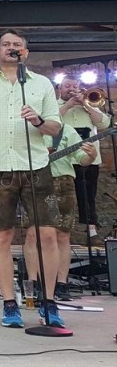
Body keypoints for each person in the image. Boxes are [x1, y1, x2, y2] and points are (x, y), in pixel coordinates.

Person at [0, 29, 63, 328]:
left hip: (36, 166)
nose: (11, 48)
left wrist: (38, 121)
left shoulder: (40, 84)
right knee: (1, 236)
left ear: (25, 53)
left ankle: (49, 301)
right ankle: (9, 302)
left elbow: (55, 127)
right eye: (6, 44)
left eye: (17, 45)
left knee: (47, 234)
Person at [25, 123, 96, 303]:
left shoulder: (66, 130)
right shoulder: (24, 128)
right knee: (33, 234)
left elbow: (81, 159)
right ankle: (33, 284)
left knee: (63, 235)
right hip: (34, 181)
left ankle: (62, 283)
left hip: (63, 182)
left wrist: (91, 155)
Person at [57, 75, 110, 246]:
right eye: (67, 86)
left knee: (88, 196)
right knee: (61, 198)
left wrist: (85, 105)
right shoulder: (54, 106)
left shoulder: (90, 105)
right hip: (62, 160)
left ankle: (92, 232)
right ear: (59, 89)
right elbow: (50, 122)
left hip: (89, 159)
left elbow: (104, 124)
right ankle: (61, 233)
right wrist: (68, 105)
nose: (71, 89)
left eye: (74, 86)